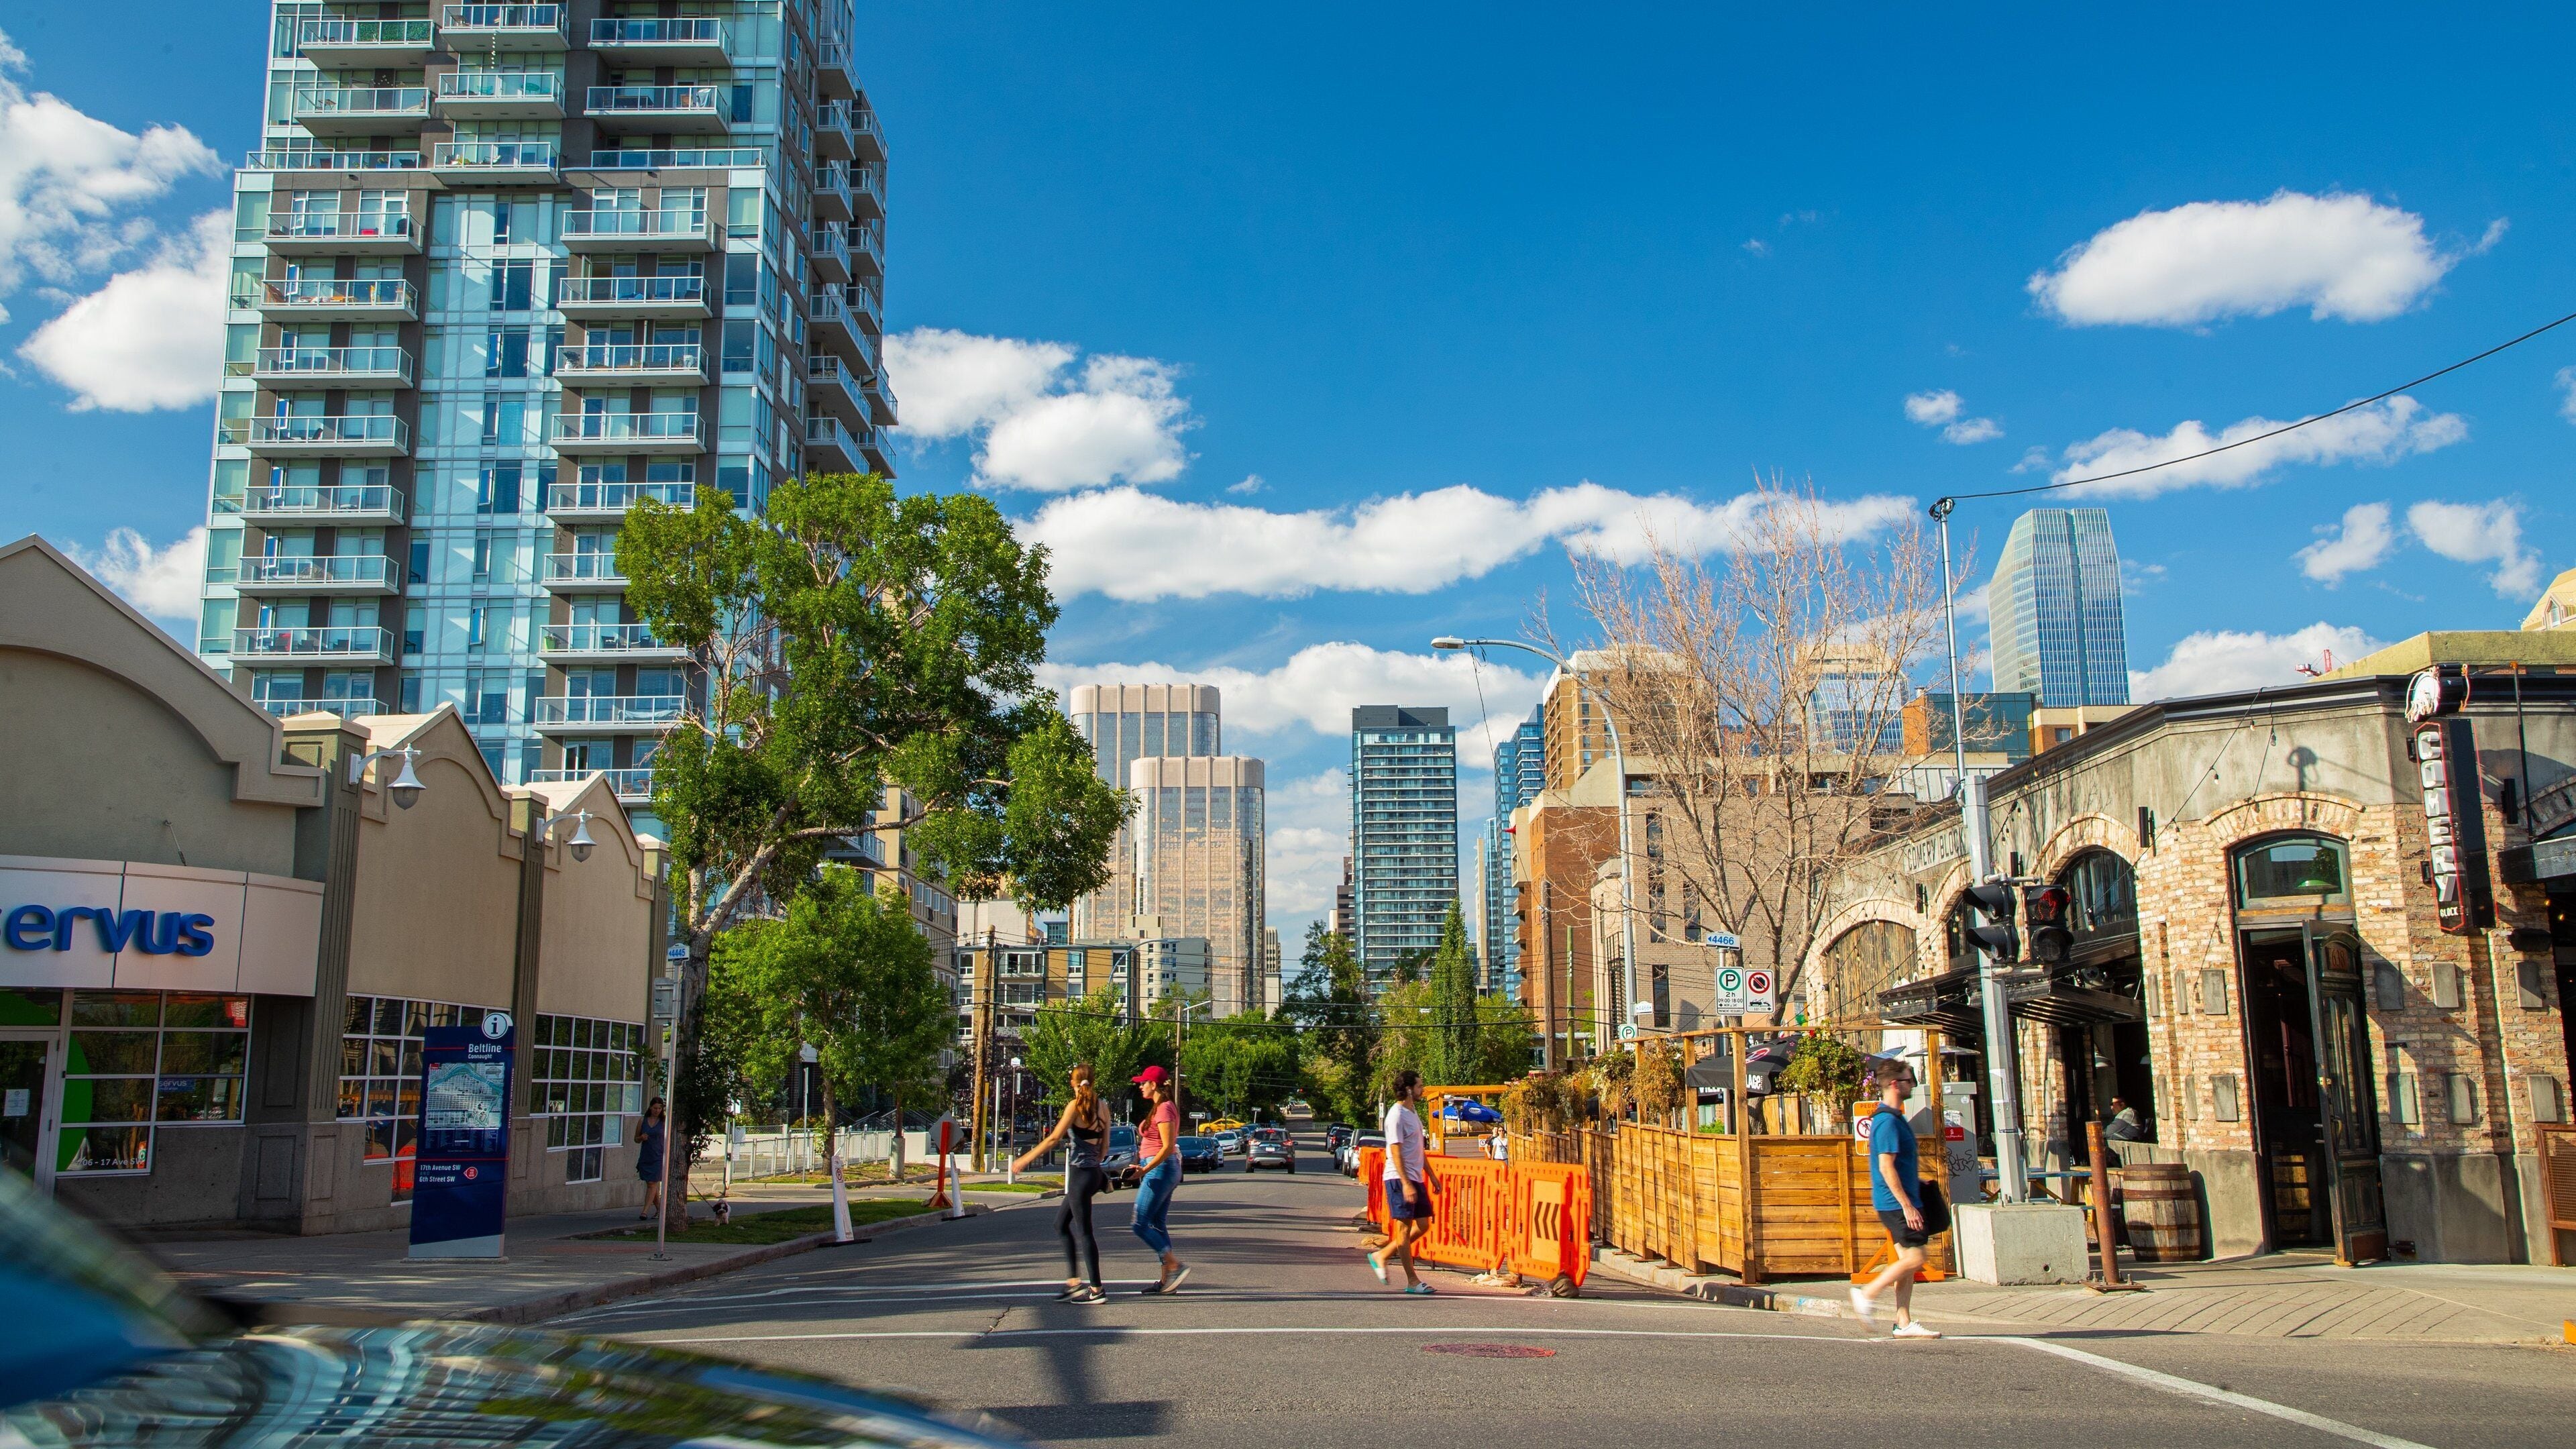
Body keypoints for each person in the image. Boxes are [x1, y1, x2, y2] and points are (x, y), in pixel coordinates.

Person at [1851, 1058, 1945, 1338]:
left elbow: (1896, 1166)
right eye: (1908, 1080)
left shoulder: (1894, 1118)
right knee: (1916, 1258)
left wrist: (1917, 1183)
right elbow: (1885, 1166)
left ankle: (1903, 1322)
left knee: (1906, 1263)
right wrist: (1907, 1206)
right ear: (1895, 1084)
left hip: (1901, 1199)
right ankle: (1866, 1294)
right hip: (1896, 1203)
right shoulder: (1888, 1122)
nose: (1912, 1085)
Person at [1016, 1063, 1111, 1303]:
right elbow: (1104, 1149)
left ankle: (1097, 1289)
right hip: (1094, 1173)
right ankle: (1073, 1283)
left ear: (1073, 1083)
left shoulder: (1074, 1107)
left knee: (1085, 1232)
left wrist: (1025, 1159)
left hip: (1080, 1175)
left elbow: (1054, 1138)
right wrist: (1093, 1165)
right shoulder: (1103, 1107)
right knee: (1061, 1224)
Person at [1369, 1069, 1435, 1294]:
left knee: (1424, 1225)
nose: (1422, 1090)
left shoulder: (1412, 1112)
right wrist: (1406, 1183)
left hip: (1415, 1177)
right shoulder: (1396, 1115)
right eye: (1419, 1086)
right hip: (1399, 1178)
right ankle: (1412, 1282)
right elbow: (1395, 1151)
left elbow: (1418, 1148)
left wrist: (1432, 1175)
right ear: (1408, 1089)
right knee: (1404, 1230)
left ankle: (1383, 1255)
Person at [1128, 1065, 1189, 1294]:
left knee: (1140, 1224)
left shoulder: (1163, 1109)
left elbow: (1166, 1147)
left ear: (1154, 1085)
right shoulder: (1160, 1107)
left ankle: (1175, 1265)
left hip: (1160, 1168)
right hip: (1158, 1167)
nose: (1140, 1086)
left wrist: (1146, 1170)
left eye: (1143, 1083)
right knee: (1157, 1223)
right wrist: (1142, 1165)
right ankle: (1167, 1281)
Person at [635, 1097, 667, 1222]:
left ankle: (644, 1211)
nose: (657, 1111)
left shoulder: (664, 1122)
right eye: (655, 1108)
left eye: (660, 1108)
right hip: (646, 1155)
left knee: (652, 1184)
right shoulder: (642, 1120)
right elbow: (636, 1139)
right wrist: (641, 1138)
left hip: (658, 1156)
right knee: (651, 1185)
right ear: (650, 1107)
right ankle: (660, 1209)